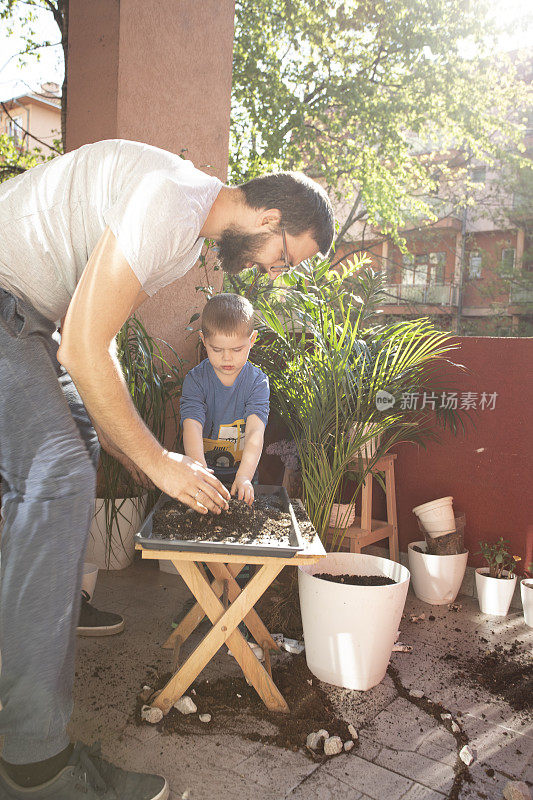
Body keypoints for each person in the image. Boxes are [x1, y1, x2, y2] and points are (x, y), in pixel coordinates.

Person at [0, 138, 334, 800]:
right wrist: (157, 464)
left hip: (32, 321)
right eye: (284, 257)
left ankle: (35, 624)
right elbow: (84, 348)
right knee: (59, 478)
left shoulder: (182, 234)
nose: (274, 271)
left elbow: (90, 338)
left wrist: (155, 457)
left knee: (83, 443)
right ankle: (33, 768)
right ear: (270, 219)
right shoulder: (172, 202)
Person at [180, 293, 269, 506]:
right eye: (217, 349)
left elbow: (256, 431)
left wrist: (245, 476)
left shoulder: (257, 383)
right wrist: (202, 474)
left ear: (252, 340)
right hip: (202, 471)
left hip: (242, 474)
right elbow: (191, 427)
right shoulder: (196, 380)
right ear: (203, 340)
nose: (227, 358)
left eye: (237, 349)